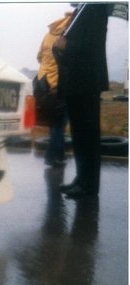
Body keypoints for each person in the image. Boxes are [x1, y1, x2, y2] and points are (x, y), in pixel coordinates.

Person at [55, 4, 109, 197]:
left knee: (88, 136)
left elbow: (92, 43)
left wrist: (66, 45)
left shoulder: (96, 7)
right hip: (75, 81)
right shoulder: (80, 10)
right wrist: (60, 45)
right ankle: (81, 178)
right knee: (79, 135)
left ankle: (89, 186)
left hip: (87, 81)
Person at [35, 12, 72, 167]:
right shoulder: (67, 35)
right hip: (59, 83)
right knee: (60, 123)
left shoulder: (48, 35)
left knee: (53, 123)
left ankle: (57, 155)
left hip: (43, 82)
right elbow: (68, 59)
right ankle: (53, 156)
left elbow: (38, 56)